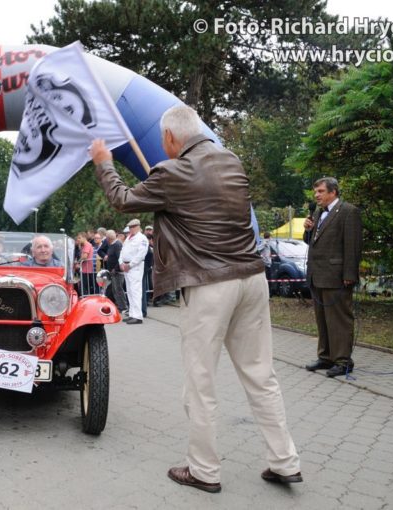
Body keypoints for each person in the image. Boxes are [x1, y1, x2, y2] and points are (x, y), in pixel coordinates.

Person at [90, 104, 301, 492]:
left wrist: (104, 161)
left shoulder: (172, 172)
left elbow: (122, 199)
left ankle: (204, 470)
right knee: (261, 374)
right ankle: (284, 461)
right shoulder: (231, 161)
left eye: (163, 142)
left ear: (171, 138)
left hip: (209, 285)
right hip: (252, 279)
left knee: (200, 381)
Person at [303, 177, 363, 378]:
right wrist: (308, 230)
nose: (316, 195)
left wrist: (349, 274)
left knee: (339, 320)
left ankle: (343, 361)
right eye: (316, 192)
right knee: (322, 320)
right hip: (317, 275)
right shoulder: (319, 212)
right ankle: (326, 357)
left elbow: (352, 245)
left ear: (333, 192)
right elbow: (312, 241)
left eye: (320, 191)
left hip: (337, 276)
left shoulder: (348, 211)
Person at [119, 219, 148, 324]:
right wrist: (121, 262)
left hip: (135, 267)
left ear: (137, 227)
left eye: (132, 227)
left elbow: (141, 254)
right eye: (130, 227)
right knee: (130, 291)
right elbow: (122, 251)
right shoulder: (128, 238)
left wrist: (130, 265)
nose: (130, 229)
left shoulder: (142, 238)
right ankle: (132, 314)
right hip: (126, 266)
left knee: (135, 291)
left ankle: (138, 316)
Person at [103, 229, 127, 313]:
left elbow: (120, 258)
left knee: (118, 289)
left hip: (117, 271)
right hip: (113, 271)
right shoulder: (112, 244)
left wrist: (115, 268)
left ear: (108, 238)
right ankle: (120, 306)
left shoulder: (117, 245)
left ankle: (123, 307)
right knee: (115, 290)